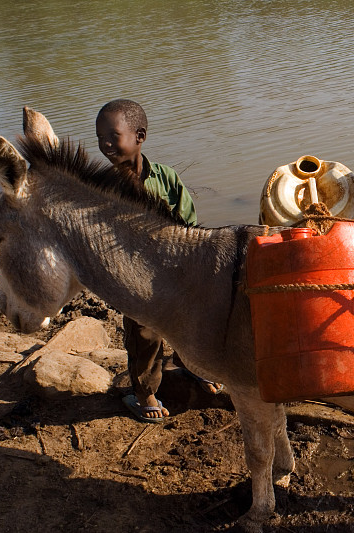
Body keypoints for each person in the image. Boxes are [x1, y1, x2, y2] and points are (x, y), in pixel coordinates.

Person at [95, 99, 223, 423]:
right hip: (135, 279)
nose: (105, 144)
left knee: (189, 323)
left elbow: (189, 223)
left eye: (113, 136)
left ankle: (191, 366)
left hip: (176, 270)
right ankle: (144, 392)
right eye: (100, 138)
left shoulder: (165, 178)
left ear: (139, 137)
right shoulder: (104, 189)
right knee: (145, 336)